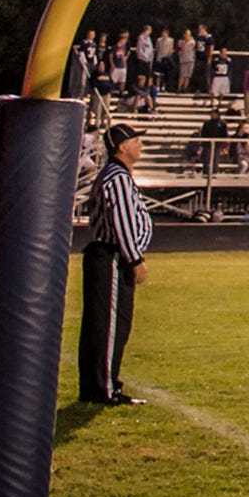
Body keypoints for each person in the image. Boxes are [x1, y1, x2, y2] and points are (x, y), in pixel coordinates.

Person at [80, 123, 154, 405]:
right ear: (121, 147)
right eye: (136, 141)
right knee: (111, 325)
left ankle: (100, 385)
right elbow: (121, 222)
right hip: (111, 256)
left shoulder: (117, 175)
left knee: (106, 324)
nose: (140, 145)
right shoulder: (118, 179)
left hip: (111, 255)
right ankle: (104, 388)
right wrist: (135, 258)